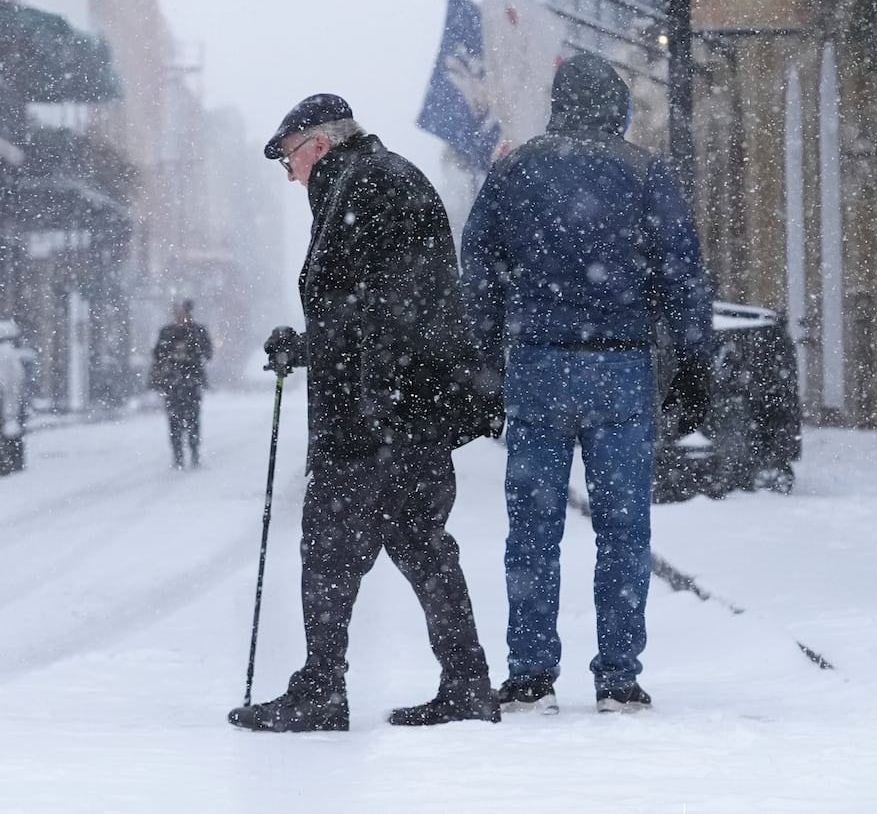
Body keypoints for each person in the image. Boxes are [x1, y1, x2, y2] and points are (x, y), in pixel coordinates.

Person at [227, 93, 501, 733]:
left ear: (318, 145)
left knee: (329, 546)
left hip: (377, 412)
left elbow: (380, 312)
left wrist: (317, 350)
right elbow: (379, 307)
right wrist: (312, 345)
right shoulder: (376, 179)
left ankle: (323, 689)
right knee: (418, 541)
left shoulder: (368, 187)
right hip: (405, 405)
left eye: (290, 157)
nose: (289, 173)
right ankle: (465, 682)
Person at [461, 52, 712, 716]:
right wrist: (692, 360)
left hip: (537, 366)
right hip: (619, 368)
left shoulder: (513, 170)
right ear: (614, 107)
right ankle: (619, 677)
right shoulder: (643, 171)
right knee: (624, 529)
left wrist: (483, 366)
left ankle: (531, 672)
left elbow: (478, 271)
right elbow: (682, 270)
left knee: (533, 529)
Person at [150, 300, 213, 470]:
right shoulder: (167, 332)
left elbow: (208, 353)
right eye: (177, 312)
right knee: (174, 419)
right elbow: (157, 354)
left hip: (192, 382)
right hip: (172, 383)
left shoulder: (198, 331)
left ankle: (194, 451)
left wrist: (193, 352)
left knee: (193, 418)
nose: (180, 316)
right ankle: (177, 454)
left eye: (183, 312)